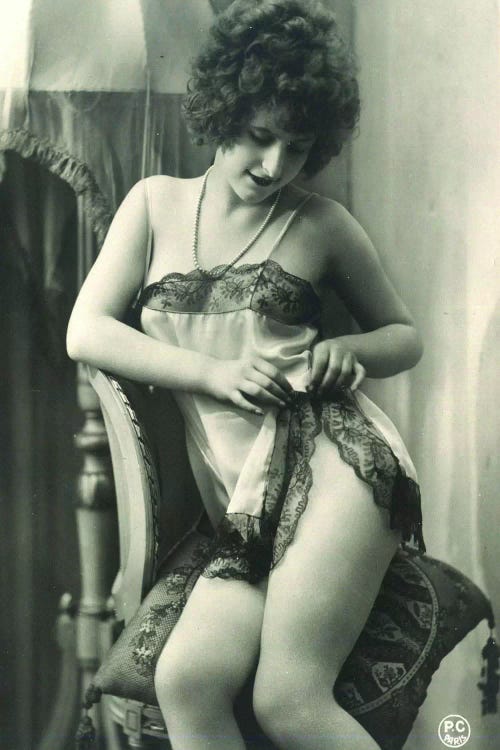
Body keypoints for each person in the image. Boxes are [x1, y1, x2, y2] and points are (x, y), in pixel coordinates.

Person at [67, 1, 425, 748]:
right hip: (242, 500)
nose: (274, 166)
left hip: (336, 467)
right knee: (187, 681)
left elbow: (405, 337)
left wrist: (352, 352)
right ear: (223, 109)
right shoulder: (153, 205)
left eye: (298, 148)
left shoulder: (321, 224)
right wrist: (212, 372)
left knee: (288, 700)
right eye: (260, 137)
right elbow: (86, 329)